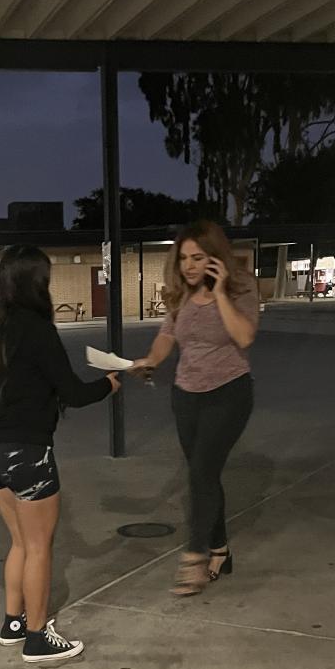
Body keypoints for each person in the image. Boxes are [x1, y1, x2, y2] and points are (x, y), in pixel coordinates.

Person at [0, 245, 118, 665]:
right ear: (38, 283)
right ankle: (37, 637)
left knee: (19, 541)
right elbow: (73, 392)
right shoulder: (36, 329)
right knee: (38, 547)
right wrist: (110, 384)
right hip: (27, 453)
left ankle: (13, 623)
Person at [130, 221, 259, 596]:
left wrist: (219, 293)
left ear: (215, 258)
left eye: (198, 257)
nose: (188, 266)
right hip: (186, 394)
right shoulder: (180, 293)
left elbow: (244, 336)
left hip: (229, 392)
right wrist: (151, 360)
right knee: (204, 474)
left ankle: (195, 556)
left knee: (202, 471)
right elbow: (166, 335)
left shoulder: (241, 287)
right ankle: (220, 550)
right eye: (184, 258)